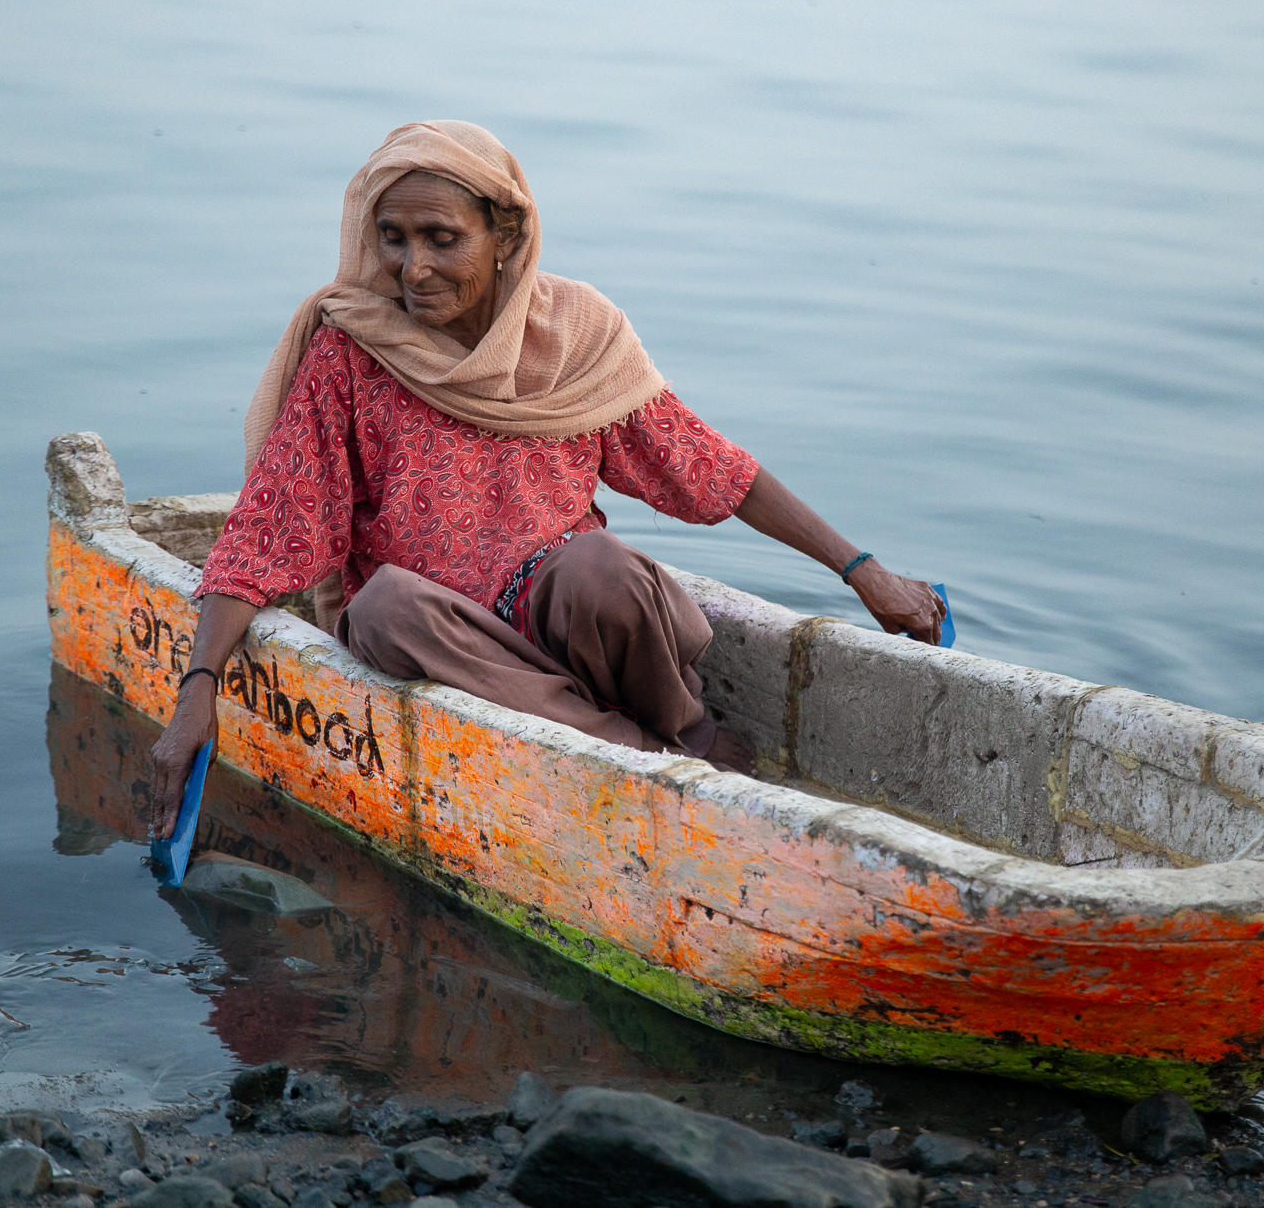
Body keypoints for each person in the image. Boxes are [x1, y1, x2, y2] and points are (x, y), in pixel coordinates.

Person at [149, 122, 945, 833]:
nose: (412, 267)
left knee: (598, 565)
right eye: (392, 238)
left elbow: (714, 469)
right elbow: (266, 532)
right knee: (382, 605)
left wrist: (860, 570)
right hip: (446, 641)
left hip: (573, 625)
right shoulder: (351, 351)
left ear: (504, 234)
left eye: (440, 237)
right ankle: (645, 753)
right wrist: (198, 689)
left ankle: (686, 726)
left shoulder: (576, 335)